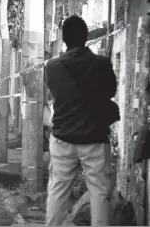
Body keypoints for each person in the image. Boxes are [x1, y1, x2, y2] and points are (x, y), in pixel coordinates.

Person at [44, 15, 117, 226]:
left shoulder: (52, 67)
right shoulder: (101, 64)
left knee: (58, 190)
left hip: (63, 138)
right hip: (94, 138)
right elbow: (110, 91)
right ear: (86, 37)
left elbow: (54, 92)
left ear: (63, 38)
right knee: (100, 193)